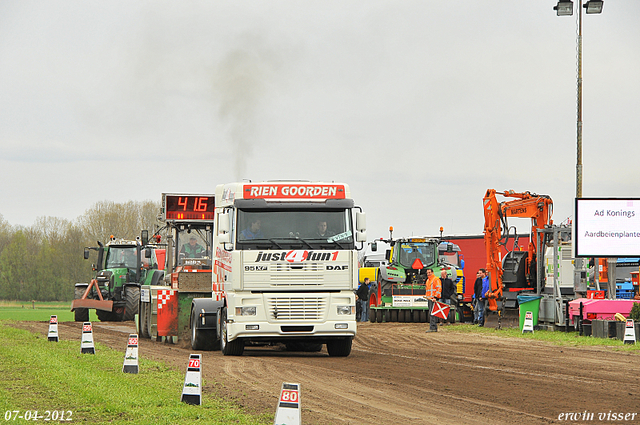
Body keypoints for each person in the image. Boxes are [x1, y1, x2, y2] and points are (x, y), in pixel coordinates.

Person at [425, 268, 442, 333]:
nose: (428, 274)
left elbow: (438, 288)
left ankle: (433, 327)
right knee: (431, 313)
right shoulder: (428, 280)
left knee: (432, 313)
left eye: (429, 272)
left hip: (433, 299)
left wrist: (435, 297)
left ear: (432, 272)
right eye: (427, 273)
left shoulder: (436, 279)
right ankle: (433, 327)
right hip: (429, 299)